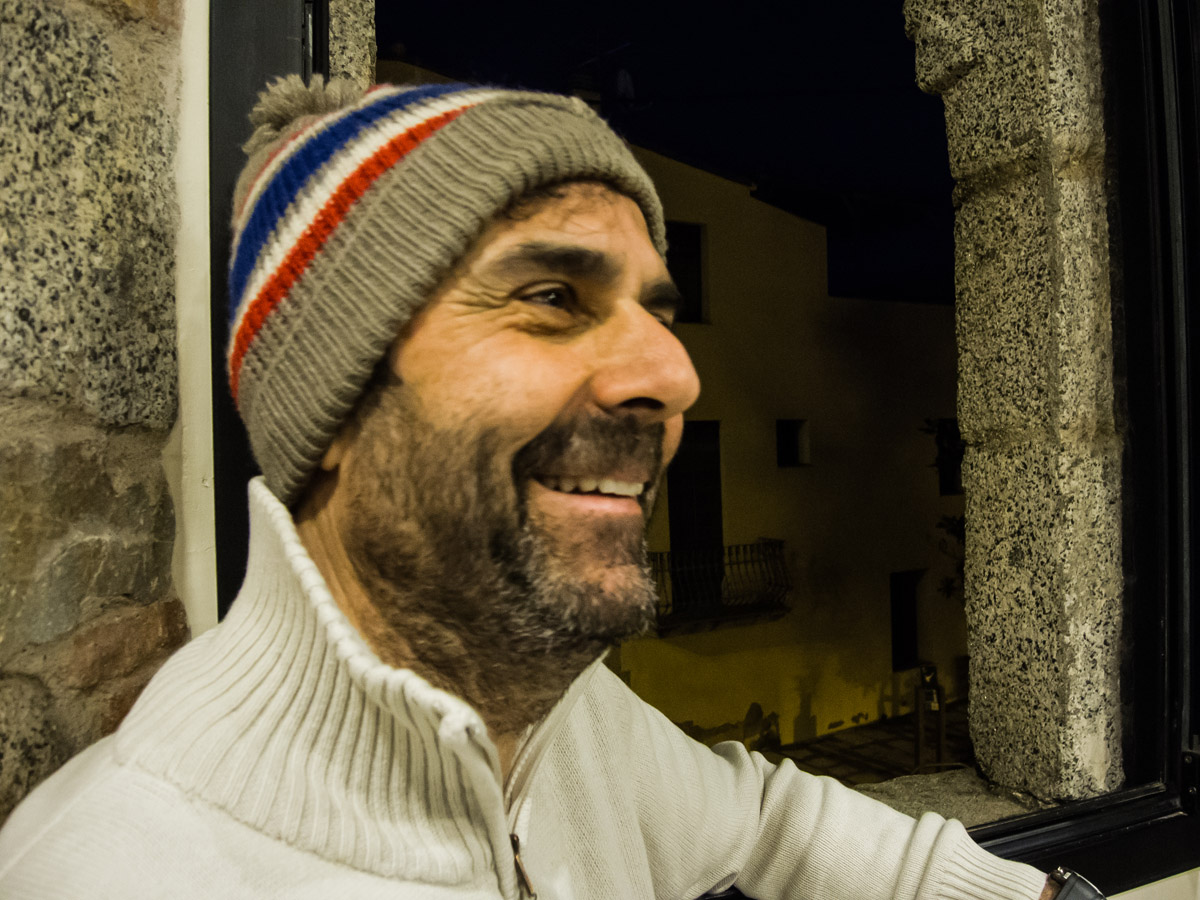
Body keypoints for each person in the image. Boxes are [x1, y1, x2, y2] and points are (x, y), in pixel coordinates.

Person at [0, 77, 1082, 900]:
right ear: (330, 402)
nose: (676, 375)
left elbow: (767, 819)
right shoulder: (112, 871)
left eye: (658, 309)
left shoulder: (563, 717)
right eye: (554, 296)